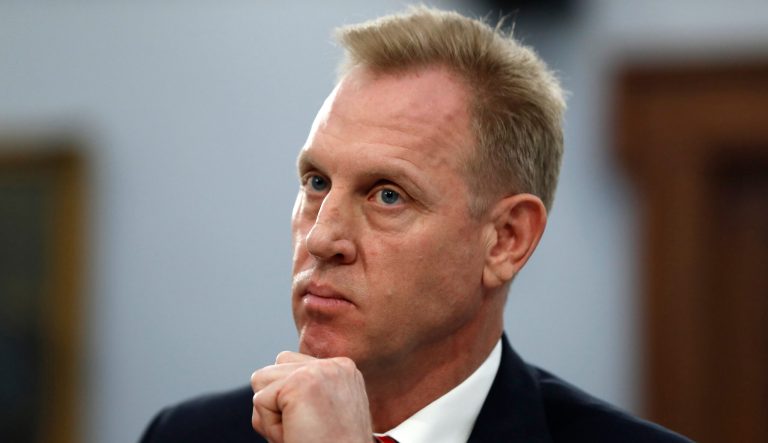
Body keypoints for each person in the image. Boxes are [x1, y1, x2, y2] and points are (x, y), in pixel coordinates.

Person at [140, 6, 691, 443]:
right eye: (316, 183)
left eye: (387, 195)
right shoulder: (186, 434)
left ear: (506, 240)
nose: (321, 238)